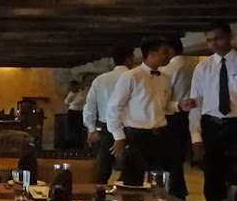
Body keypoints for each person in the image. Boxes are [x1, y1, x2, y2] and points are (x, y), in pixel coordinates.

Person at [107, 37, 190, 177]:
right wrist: (118, 135)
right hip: (136, 136)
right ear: (152, 54)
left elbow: (162, 106)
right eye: (164, 52)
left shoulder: (164, 78)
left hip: (160, 135)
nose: (168, 55)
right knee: (133, 178)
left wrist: (179, 106)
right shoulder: (131, 77)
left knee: (160, 177)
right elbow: (114, 107)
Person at [184, 21, 237, 201]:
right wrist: (196, 138)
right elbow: (195, 104)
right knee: (212, 178)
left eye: (218, 38)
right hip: (211, 125)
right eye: (209, 40)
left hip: (235, 124)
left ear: (230, 36)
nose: (213, 43)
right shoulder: (202, 68)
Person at [83, 47, 135, 184]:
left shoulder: (100, 80)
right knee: (130, 167)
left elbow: (89, 106)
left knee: (103, 166)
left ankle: (99, 192)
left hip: (107, 127)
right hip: (131, 126)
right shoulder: (135, 77)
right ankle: (126, 191)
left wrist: (91, 128)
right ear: (129, 59)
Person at [162, 37, 197, 200]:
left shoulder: (169, 69)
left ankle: (176, 192)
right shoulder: (195, 65)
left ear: (169, 50)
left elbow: (163, 96)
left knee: (172, 157)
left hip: (175, 115)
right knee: (182, 154)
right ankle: (179, 189)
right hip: (195, 113)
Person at [64, 80, 88, 148]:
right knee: (71, 129)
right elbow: (66, 102)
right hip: (72, 111)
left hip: (80, 112)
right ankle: (70, 145)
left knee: (78, 129)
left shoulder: (84, 92)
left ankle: (78, 145)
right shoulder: (72, 93)